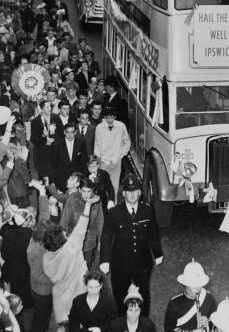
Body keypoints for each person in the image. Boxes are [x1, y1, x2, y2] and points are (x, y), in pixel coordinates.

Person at [100, 174, 163, 316]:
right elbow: (106, 237)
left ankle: (143, 324)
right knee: (120, 295)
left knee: (143, 295)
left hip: (142, 263)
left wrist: (157, 253)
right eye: (129, 191)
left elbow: (154, 234)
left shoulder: (147, 210)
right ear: (123, 194)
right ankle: (123, 322)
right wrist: (104, 259)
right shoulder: (114, 213)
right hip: (120, 264)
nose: (132, 194)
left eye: (135, 190)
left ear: (140, 192)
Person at [43, 194, 101, 331]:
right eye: (64, 235)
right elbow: (81, 227)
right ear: (61, 241)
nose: (66, 234)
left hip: (60, 305)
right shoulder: (71, 248)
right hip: (78, 301)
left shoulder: (47, 257)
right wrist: (88, 205)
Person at [164, 260, 217, 332]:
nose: (197, 288)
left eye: (200, 284)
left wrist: (208, 323)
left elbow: (216, 323)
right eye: (193, 284)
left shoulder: (209, 298)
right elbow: (169, 329)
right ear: (185, 284)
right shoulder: (174, 303)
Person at [94, 106, 131, 194]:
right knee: (102, 185)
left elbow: (127, 142)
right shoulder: (99, 127)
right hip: (103, 161)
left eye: (112, 117)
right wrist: (98, 160)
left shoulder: (121, 126)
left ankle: (113, 205)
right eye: (108, 118)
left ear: (115, 117)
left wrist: (121, 155)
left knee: (114, 185)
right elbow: (97, 145)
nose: (110, 120)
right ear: (104, 117)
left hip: (116, 161)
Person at [51, 123, 88, 191]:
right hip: (61, 180)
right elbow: (53, 164)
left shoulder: (81, 142)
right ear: (64, 132)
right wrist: (52, 181)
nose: (70, 135)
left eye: (72, 132)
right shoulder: (57, 144)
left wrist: (84, 179)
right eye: (67, 132)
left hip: (77, 180)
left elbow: (84, 162)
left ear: (76, 132)